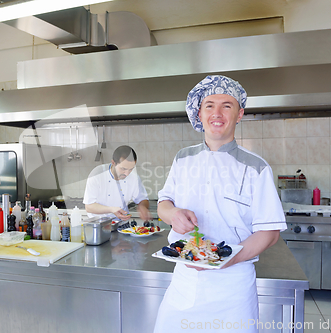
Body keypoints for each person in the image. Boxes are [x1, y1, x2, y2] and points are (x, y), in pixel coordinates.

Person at [153, 75, 287, 332]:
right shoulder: (183, 158)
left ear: (240, 114)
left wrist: (224, 260)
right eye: (209, 105)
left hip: (232, 289)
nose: (217, 112)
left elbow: (269, 233)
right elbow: (164, 203)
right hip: (184, 281)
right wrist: (173, 214)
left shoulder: (256, 167)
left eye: (227, 105)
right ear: (200, 113)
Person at [83, 145, 152, 221]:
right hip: (99, 226)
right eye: (123, 169)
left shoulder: (134, 177)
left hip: (122, 225)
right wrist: (112, 209)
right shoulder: (97, 174)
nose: (127, 173)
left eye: (131, 169)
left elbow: (143, 199)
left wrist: (142, 207)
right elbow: (89, 207)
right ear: (113, 163)